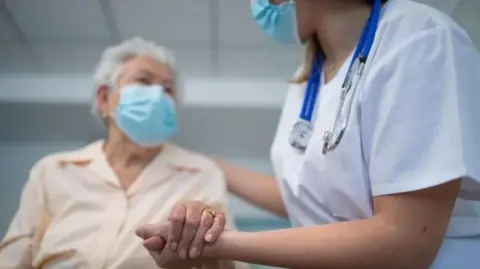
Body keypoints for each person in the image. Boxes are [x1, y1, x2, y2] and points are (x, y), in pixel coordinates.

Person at [136, 0, 480, 268]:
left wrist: (217, 242)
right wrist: (208, 163)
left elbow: (405, 240)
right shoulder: (306, 81)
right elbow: (301, 196)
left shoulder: (418, 38)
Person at [0, 37, 247, 269]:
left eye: (167, 89)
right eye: (143, 81)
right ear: (104, 98)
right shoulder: (54, 171)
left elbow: (232, 262)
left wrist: (211, 248)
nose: (158, 95)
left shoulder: (201, 174)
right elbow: (13, 257)